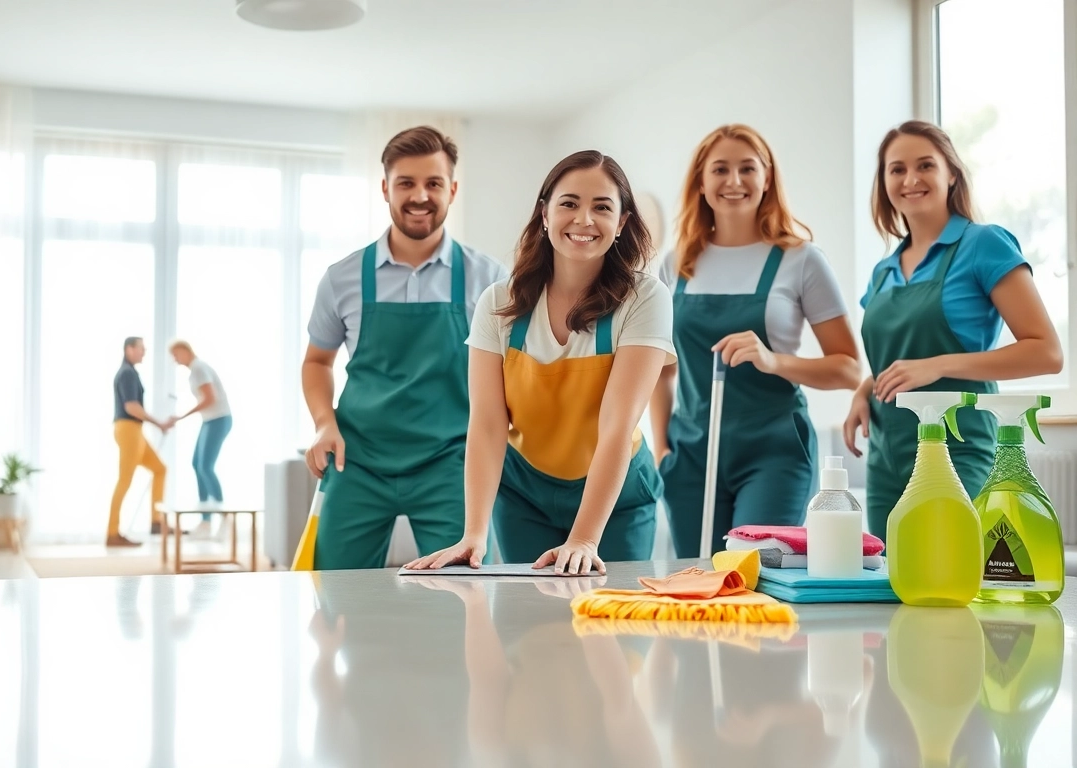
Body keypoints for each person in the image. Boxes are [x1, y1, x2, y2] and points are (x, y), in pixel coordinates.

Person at [408, 149, 675, 575]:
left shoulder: (645, 298)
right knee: (528, 615)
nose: (584, 219)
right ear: (545, 214)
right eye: (569, 203)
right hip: (524, 494)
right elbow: (488, 423)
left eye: (602, 207)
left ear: (622, 222)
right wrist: (473, 533)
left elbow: (617, 426)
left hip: (617, 495)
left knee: (608, 613)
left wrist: (584, 539)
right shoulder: (500, 301)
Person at [844, 120, 1062, 541]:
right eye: (896, 169)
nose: (911, 179)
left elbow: (1047, 352)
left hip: (957, 450)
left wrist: (938, 365)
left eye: (925, 165)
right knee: (892, 577)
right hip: (886, 458)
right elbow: (901, 355)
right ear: (884, 182)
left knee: (954, 569)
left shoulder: (983, 244)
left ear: (951, 174)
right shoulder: (883, 271)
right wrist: (864, 388)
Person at [302, 125, 507, 570]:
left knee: (464, 590)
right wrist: (323, 424)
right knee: (334, 590)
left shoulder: (489, 279)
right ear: (385, 188)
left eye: (433, 183)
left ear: (452, 190)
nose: (420, 196)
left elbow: (514, 371)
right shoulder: (342, 278)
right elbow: (317, 361)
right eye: (406, 183)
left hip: (452, 462)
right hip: (357, 460)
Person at [653, 125, 861, 558]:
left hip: (774, 452)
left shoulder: (801, 260)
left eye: (748, 168)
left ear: (767, 179)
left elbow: (848, 368)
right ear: (701, 182)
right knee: (697, 579)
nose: (734, 181)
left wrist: (774, 360)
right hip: (690, 454)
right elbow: (661, 369)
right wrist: (662, 448)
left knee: (756, 572)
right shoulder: (677, 265)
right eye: (720, 169)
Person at [108, 337, 177, 546]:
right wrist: (159, 423)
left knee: (160, 469)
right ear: (129, 349)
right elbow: (131, 407)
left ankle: (156, 522)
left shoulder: (131, 372)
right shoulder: (127, 373)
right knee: (125, 480)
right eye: (141, 348)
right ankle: (112, 533)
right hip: (128, 429)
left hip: (135, 430)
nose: (144, 352)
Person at [169, 339, 232, 537]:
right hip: (210, 420)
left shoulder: (199, 368)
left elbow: (210, 398)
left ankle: (225, 518)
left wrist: (182, 416)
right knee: (197, 464)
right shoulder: (195, 371)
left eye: (176, 354)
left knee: (205, 467)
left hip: (218, 419)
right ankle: (205, 522)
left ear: (185, 350)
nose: (175, 359)